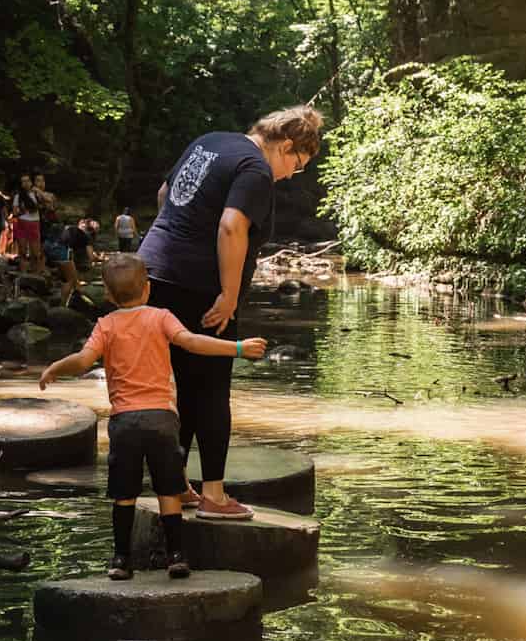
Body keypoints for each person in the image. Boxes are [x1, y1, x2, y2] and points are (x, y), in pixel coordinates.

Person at [138, 104, 322, 520]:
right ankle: (215, 495)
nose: (293, 174)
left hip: (153, 275)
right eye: (298, 163)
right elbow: (231, 225)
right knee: (213, 388)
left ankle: (176, 485)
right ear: (286, 145)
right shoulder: (256, 169)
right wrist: (229, 293)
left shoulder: (209, 142)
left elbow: (165, 196)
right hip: (198, 284)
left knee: (180, 386)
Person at [38, 253, 268, 579]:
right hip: (162, 419)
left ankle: (120, 560)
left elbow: (83, 360)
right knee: (169, 490)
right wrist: (238, 348)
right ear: (147, 290)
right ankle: (176, 556)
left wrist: (55, 368)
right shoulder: (161, 317)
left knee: (124, 493)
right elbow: (192, 342)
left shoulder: (105, 326)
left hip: (125, 423)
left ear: (107, 294)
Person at [52, 216, 96, 308]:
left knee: (71, 278)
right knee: (70, 280)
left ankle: (75, 297)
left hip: (51, 247)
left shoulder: (71, 229)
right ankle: (63, 305)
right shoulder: (86, 237)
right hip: (63, 252)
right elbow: (91, 256)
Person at [10, 173, 42, 273]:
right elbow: (15, 212)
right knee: (22, 251)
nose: (26, 183)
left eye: (27, 181)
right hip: (22, 224)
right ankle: (23, 272)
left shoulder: (36, 194)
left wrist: (39, 192)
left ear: (31, 182)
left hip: (34, 224)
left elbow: (47, 202)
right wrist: (24, 210)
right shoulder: (18, 196)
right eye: (23, 181)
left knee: (35, 253)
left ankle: (35, 272)